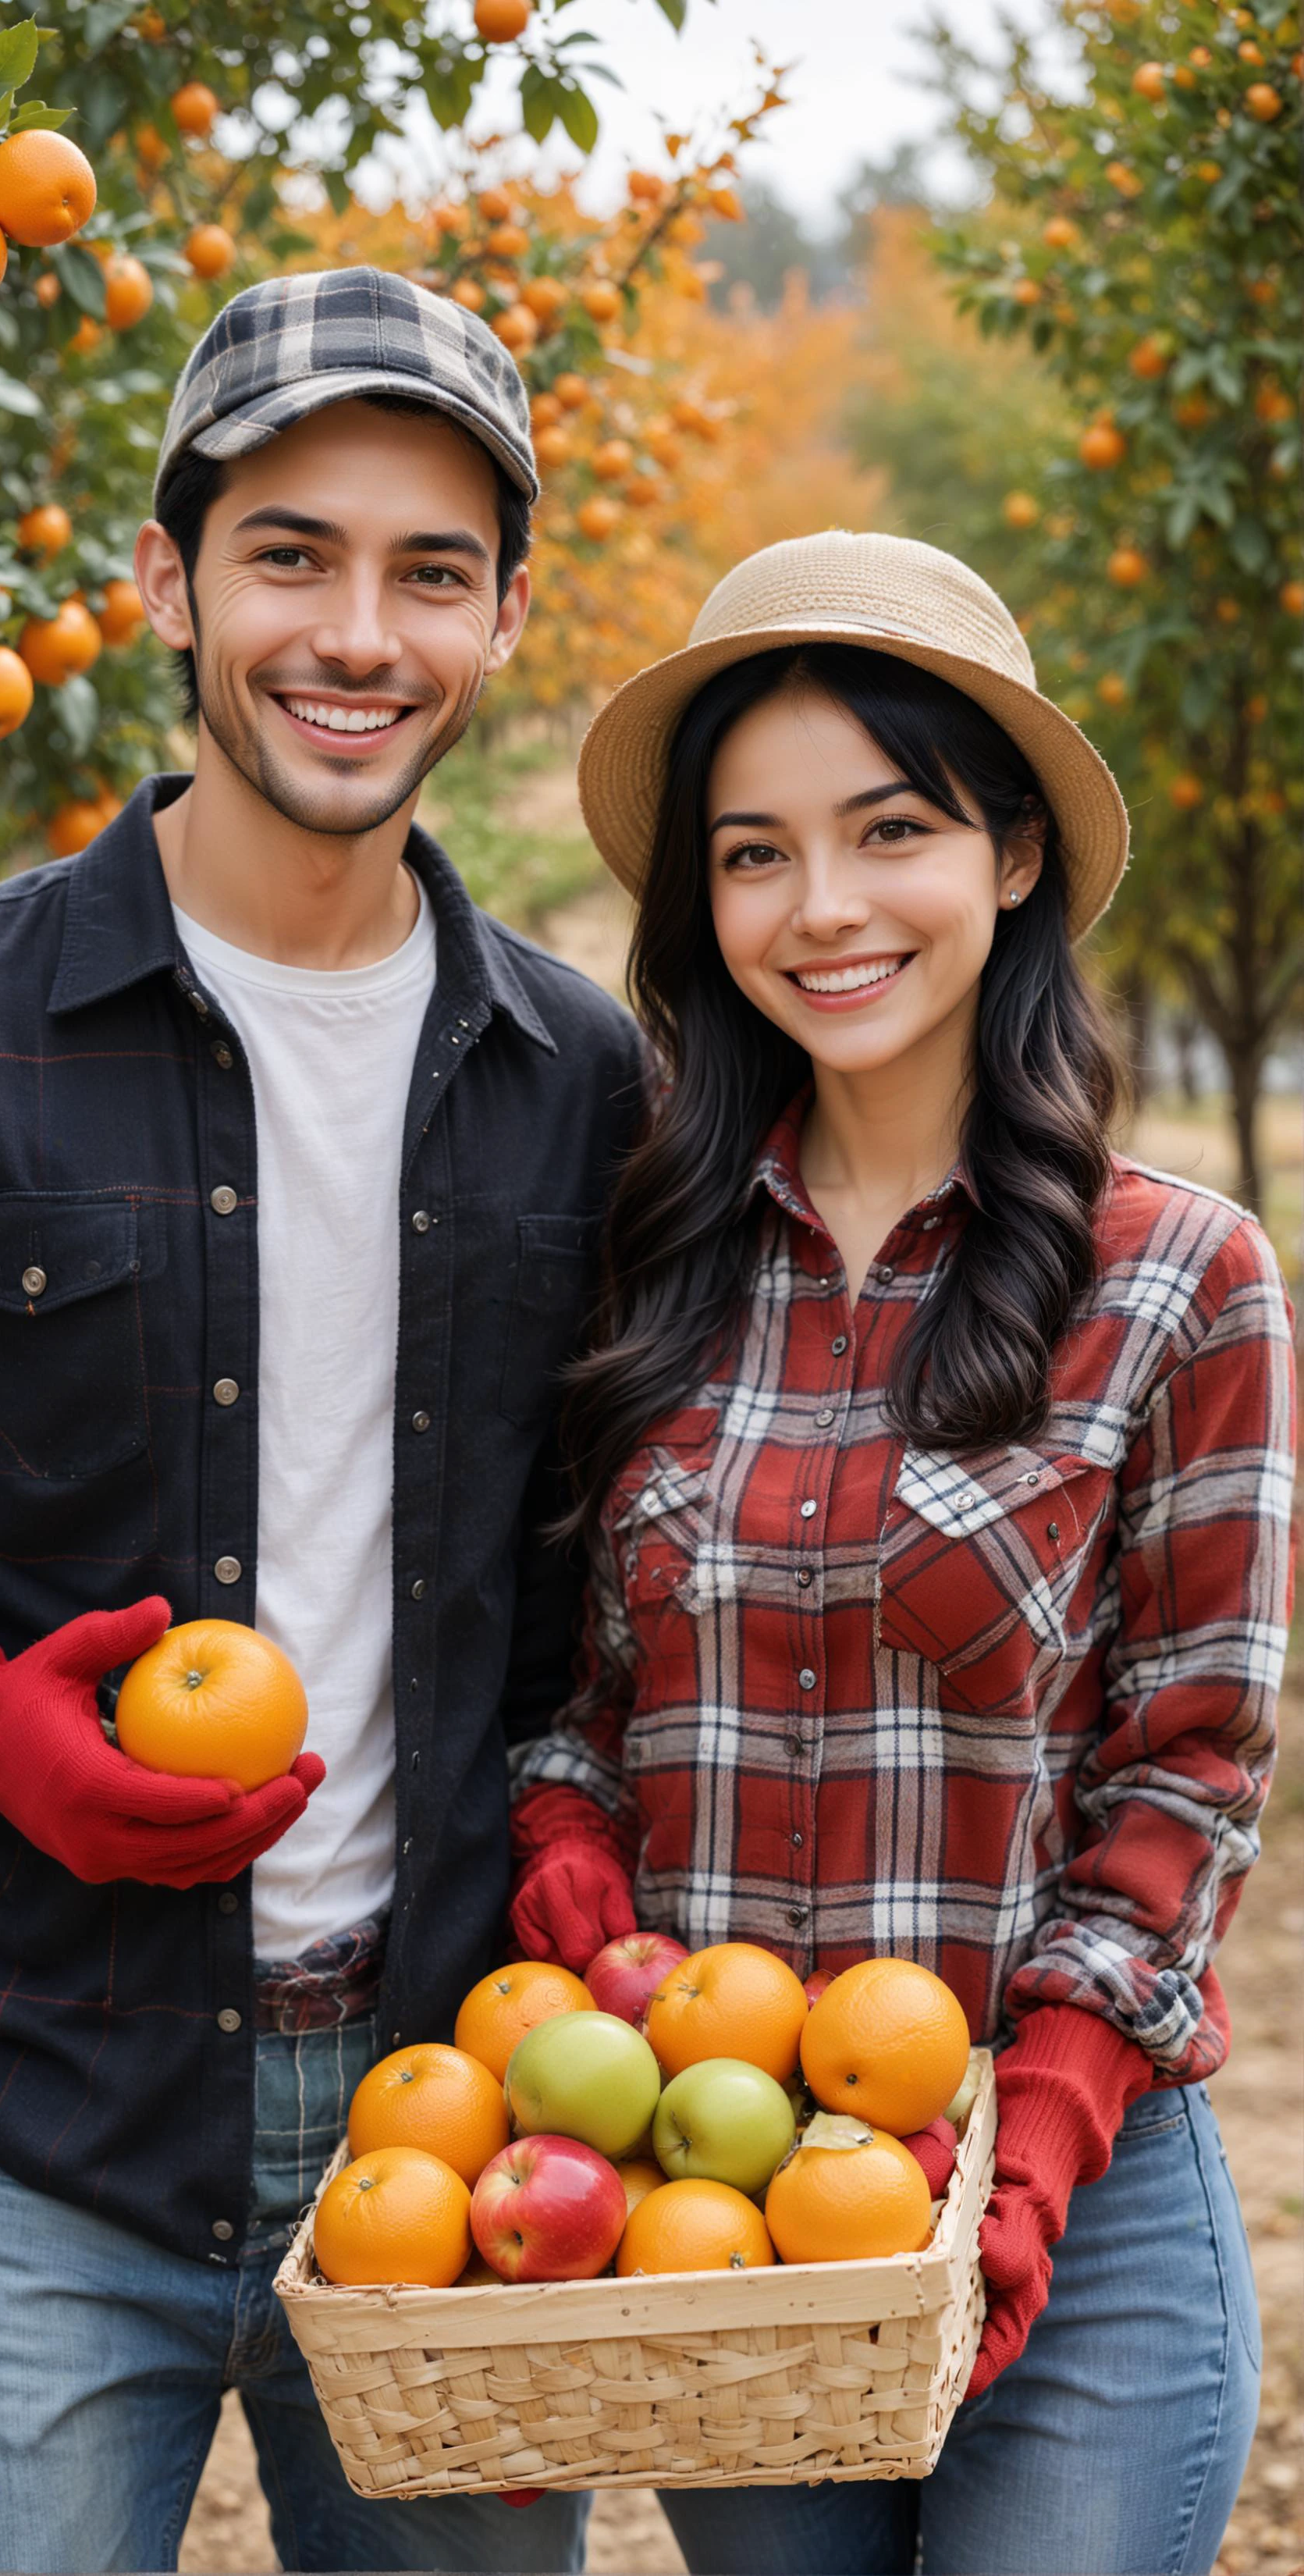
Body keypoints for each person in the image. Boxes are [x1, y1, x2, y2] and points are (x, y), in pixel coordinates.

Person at [0, 267, 644, 2576]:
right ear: (168, 580)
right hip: (41, 2123)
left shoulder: (581, 1082)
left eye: (431, 572)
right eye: (290, 553)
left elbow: (593, 1580)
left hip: (466, 2115)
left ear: (498, 620)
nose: (357, 633)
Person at [509, 531, 1295, 2576]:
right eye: (754, 853)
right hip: (734, 2206)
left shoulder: (1179, 1277)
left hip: (1072, 2196)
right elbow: (579, 1694)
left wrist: (1028, 2134)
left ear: (1013, 850)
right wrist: (568, 1849)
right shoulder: (644, 1261)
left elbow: (1192, 1765)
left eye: (891, 829)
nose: (822, 906)